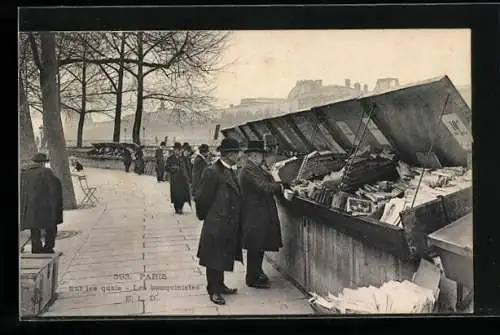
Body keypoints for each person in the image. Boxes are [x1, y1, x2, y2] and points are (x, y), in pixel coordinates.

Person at [194, 138, 244, 305]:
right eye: (237, 152)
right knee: (214, 256)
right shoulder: (212, 171)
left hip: (227, 222)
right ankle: (213, 290)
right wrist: (209, 217)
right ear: (229, 154)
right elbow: (201, 198)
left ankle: (220, 285)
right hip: (217, 222)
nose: (239, 155)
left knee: (221, 255)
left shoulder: (228, 170)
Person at [238, 140, 284, 289]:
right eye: (261, 155)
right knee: (255, 247)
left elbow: (265, 180)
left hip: (258, 213)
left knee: (259, 246)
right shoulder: (248, 169)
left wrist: (270, 174)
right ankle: (251, 278)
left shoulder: (253, 168)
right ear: (254, 155)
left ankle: (258, 271)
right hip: (255, 214)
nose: (262, 158)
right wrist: (280, 185)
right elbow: (265, 187)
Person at [20, 153, 63, 254]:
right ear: (43, 163)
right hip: (44, 206)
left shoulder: (24, 172)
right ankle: (48, 247)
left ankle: (36, 248)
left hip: (29, 207)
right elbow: (54, 187)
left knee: (34, 228)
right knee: (51, 227)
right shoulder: (46, 172)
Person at [165, 142, 191, 214]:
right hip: (175, 179)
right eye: (176, 150)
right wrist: (174, 168)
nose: (177, 151)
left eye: (179, 150)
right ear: (174, 150)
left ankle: (180, 207)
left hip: (182, 179)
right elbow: (166, 167)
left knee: (182, 194)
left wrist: (188, 177)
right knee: (176, 194)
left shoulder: (183, 158)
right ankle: (177, 208)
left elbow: (187, 168)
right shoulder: (170, 158)